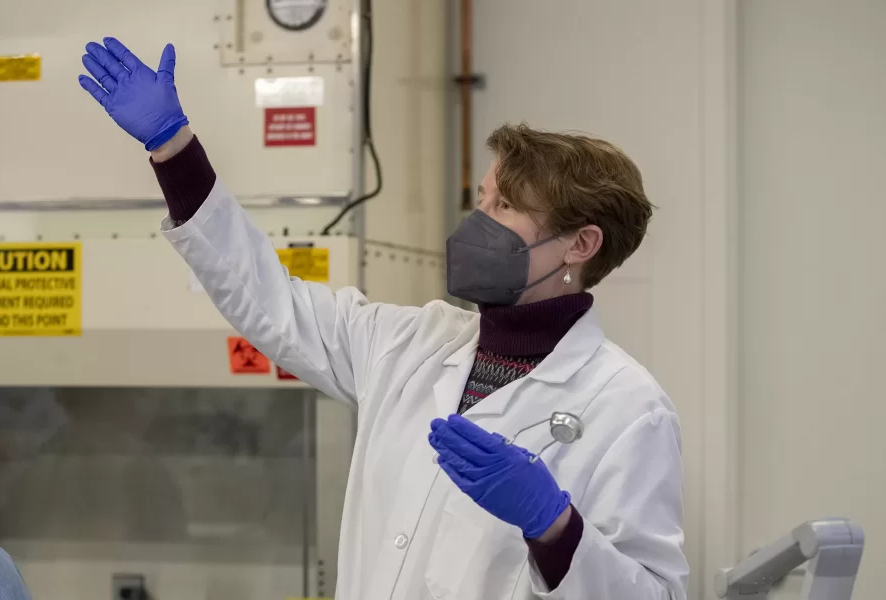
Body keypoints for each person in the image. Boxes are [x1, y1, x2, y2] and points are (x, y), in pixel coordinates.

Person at [77, 38, 689, 599]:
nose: (477, 221)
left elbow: (656, 593)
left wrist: (554, 528)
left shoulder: (628, 407)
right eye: (481, 198)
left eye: (505, 207)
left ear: (581, 246)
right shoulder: (409, 341)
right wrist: (173, 148)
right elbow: (266, 298)